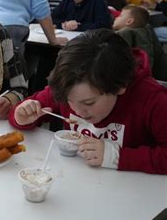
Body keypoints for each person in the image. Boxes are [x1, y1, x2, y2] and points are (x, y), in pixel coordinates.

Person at [9, 29, 167, 174]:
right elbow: (23, 112)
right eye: (70, 101)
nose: (77, 111)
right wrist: (21, 117)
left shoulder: (153, 100)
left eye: (89, 103)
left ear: (120, 86)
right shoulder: (68, 87)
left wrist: (116, 156)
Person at [113, 5, 167, 80]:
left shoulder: (124, 34)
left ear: (129, 21)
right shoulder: (144, 31)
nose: (116, 17)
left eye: (120, 16)